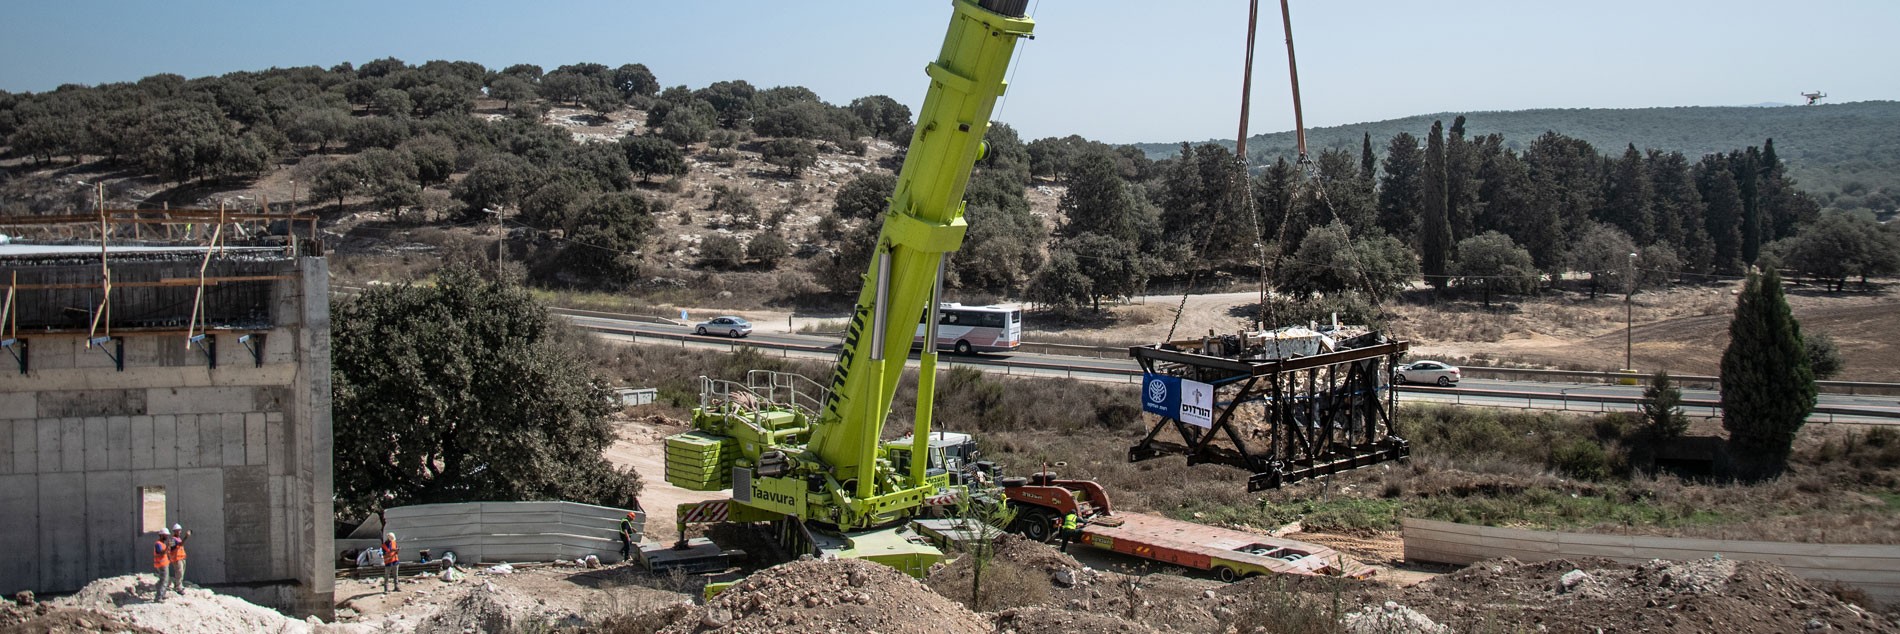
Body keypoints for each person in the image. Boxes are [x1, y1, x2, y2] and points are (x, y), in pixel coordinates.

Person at [151, 528, 173, 602]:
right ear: (161, 535)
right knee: (163, 580)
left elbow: (165, 553)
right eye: (165, 535)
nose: (167, 537)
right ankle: (158, 597)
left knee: (165, 580)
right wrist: (167, 546)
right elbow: (161, 553)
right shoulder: (158, 544)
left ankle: (162, 595)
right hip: (161, 564)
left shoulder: (163, 544)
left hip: (164, 564)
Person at [166, 523, 189, 595]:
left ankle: (178, 585)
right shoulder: (172, 539)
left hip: (181, 558)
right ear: (174, 531)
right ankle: (178, 588)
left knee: (181, 573)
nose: (180, 532)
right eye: (178, 530)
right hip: (176, 559)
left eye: (180, 530)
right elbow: (173, 547)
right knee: (179, 573)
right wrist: (186, 537)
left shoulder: (178, 539)